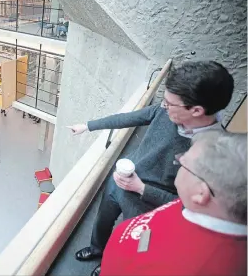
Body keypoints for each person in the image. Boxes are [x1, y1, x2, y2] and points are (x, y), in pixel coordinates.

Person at [67, 61, 234, 276]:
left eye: (168, 103)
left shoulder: (216, 154)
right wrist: (88, 126)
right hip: (121, 181)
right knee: (103, 220)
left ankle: (108, 264)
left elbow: (187, 207)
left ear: (196, 110)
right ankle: (97, 248)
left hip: (149, 207)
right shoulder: (167, 111)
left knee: (131, 244)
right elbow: (129, 118)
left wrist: (141, 189)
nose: (163, 106)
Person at [100, 130, 247, 276]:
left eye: (183, 162)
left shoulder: (190, 268)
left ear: (201, 193)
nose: (178, 160)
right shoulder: (198, 205)